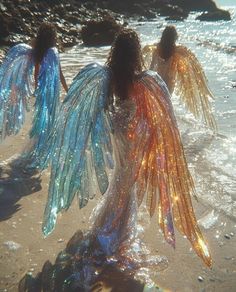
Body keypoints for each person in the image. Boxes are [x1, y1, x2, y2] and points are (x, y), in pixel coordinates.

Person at [19, 29, 211, 291]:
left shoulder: (107, 76)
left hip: (118, 130)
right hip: (133, 134)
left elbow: (100, 107)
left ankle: (110, 227)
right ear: (134, 54)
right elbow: (154, 117)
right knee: (126, 184)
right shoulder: (142, 80)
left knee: (121, 180)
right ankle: (113, 232)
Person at [0, 23, 68, 166]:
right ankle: (42, 150)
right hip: (51, 93)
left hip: (42, 93)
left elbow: (36, 72)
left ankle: (37, 148)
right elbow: (59, 73)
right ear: (52, 38)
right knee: (49, 121)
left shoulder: (38, 52)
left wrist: (37, 89)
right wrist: (67, 90)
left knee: (40, 121)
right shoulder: (53, 53)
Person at [142, 25, 217, 130]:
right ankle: (166, 125)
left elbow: (152, 66)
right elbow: (183, 68)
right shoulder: (177, 50)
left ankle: (158, 124)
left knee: (159, 102)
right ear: (174, 37)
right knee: (166, 103)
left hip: (158, 80)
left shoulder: (157, 48)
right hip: (169, 82)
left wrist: (148, 79)